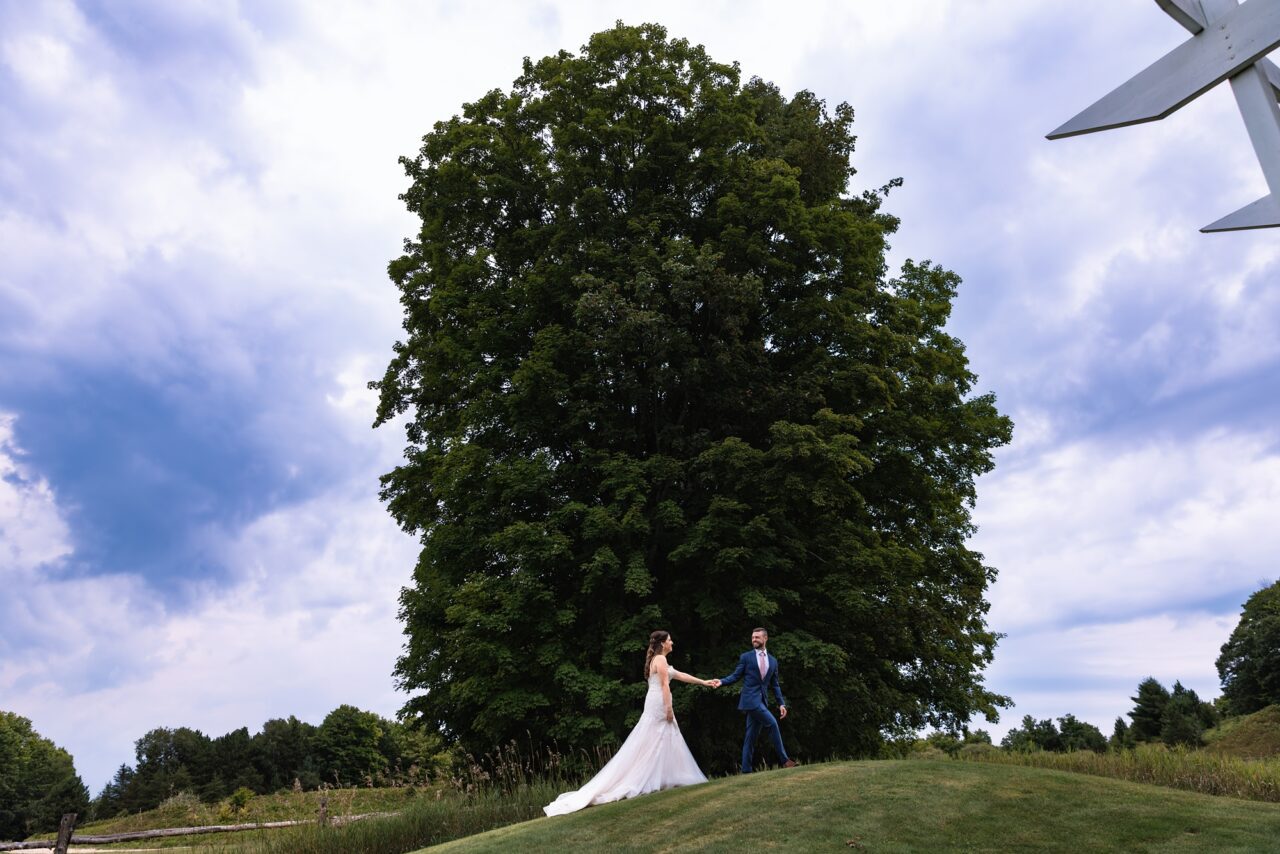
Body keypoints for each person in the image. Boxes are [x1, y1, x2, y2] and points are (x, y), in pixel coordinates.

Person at [543, 630, 714, 816]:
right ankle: (653, 778)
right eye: (670, 640)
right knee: (657, 739)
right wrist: (669, 709)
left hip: (655, 701)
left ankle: (666, 777)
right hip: (659, 703)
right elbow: (665, 685)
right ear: (663, 643)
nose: (673, 642)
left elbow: (680, 675)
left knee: (660, 739)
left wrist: (704, 682)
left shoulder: (658, 660)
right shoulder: (660, 660)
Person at [712, 627, 796, 773]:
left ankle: (746, 770)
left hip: (762, 701)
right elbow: (736, 675)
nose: (754, 640)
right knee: (772, 723)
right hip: (750, 700)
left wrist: (781, 703)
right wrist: (722, 681)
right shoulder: (746, 657)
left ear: (765, 638)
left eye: (757, 637)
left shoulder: (773, 661)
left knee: (750, 737)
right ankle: (785, 760)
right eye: (752, 637)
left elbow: (775, 684)